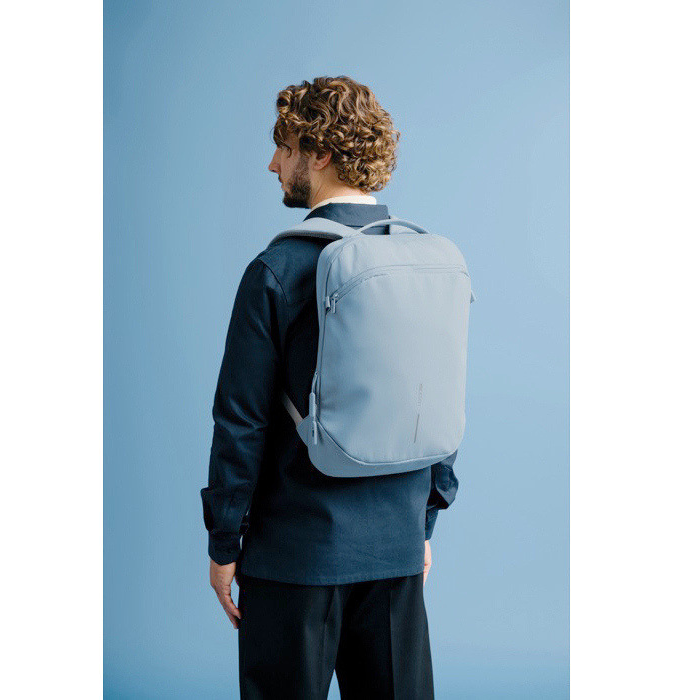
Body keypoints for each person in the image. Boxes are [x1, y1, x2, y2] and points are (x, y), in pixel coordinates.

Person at [200, 76, 459, 699]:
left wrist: (224, 541)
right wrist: (423, 523)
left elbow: (240, 420)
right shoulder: (427, 262)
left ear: (318, 153)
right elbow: (439, 400)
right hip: (397, 548)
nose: (273, 163)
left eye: (284, 146)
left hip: (296, 555)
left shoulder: (277, 268)